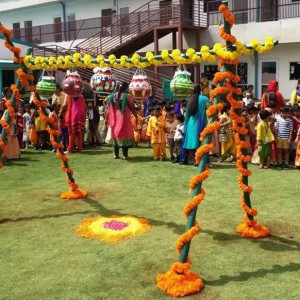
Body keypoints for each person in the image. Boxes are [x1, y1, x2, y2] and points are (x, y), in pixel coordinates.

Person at [105, 82, 137, 159]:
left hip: (114, 117)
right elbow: (132, 107)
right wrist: (136, 116)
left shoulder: (112, 96)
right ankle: (125, 155)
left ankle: (116, 155)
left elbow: (108, 109)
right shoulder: (127, 96)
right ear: (126, 88)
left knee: (115, 134)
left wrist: (106, 119)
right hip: (124, 117)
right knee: (124, 134)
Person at [183, 84, 209, 165]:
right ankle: (200, 161)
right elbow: (210, 109)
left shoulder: (190, 99)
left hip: (191, 123)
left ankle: (193, 160)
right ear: (200, 90)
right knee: (202, 142)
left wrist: (186, 126)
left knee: (193, 142)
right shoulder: (204, 99)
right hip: (200, 123)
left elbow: (187, 114)